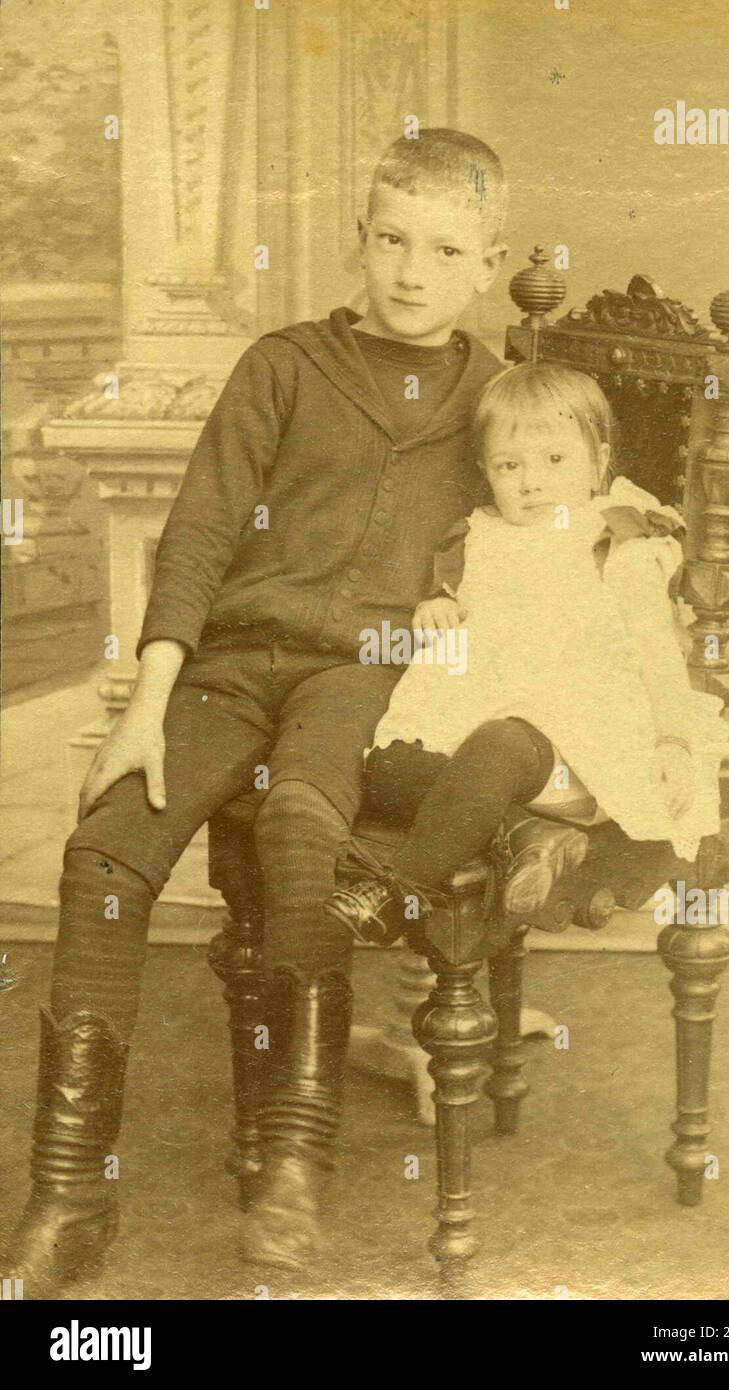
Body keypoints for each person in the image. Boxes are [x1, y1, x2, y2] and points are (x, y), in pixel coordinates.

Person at [5, 128, 510, 1294]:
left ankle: (291, 1164)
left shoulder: (497, 398)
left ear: (486, 262)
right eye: (390, 238)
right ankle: (69, 1200)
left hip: (368, 672)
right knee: (101, 855)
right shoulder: (282, 365)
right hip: (231, 665)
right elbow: (199, 531)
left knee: (303, 845)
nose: (411, 271)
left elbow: (569, 515)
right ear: (359, 240)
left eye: (444, 248)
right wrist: (148, 700)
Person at [325, 362, 729, 947]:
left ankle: (400, 892)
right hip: (471, 720)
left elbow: (655, 649)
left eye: (555, 462)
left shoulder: (615, 536)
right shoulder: (479, 532)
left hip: (572, 738)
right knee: (388, 766)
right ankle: (524, 834)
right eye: (508, 466)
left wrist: (672, 738)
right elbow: (459, 594)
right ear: (486, 472)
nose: (531, 482)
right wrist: (435, 607)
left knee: (499, 747)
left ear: (599, 461)